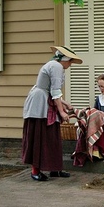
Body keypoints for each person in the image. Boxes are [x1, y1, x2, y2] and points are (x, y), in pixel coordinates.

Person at [21, 45, 83, 181]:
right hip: (40, 105)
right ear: (65, 59)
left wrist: (65, 103)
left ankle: (55, 168)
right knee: (40, 136)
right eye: (70, 61)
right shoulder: (56, 67)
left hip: (46, 101)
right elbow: (54, 92)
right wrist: (61, 112)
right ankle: (35, 170)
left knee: (52, 137)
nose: (70, 64)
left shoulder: (56, 66)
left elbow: (54, 91)